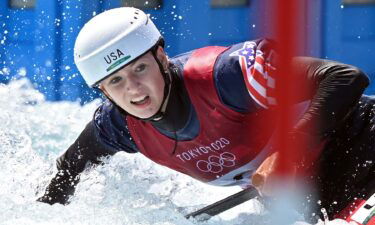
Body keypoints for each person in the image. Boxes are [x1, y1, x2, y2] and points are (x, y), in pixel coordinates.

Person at [37, 7, 375, 222]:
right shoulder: (117, 126)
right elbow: (68, 170)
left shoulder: (230, 76)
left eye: (140, 68)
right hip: (307, 192)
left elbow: (345, 78)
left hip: (361, 145)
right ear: (104, 91)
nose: (134, 90)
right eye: (116, 81)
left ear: (161, 55)